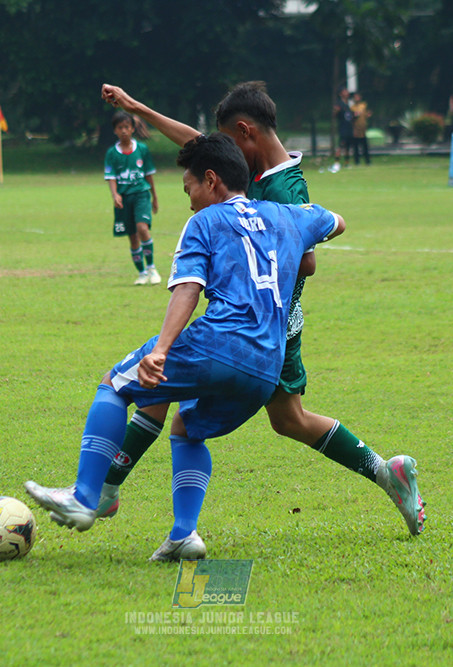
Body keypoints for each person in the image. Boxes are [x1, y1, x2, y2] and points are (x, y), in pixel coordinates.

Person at [100, 81, 426, 538]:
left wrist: (243, 254)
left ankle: (101, 493)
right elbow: (199, 147)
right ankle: (385, 472)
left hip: (266, 324)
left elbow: (306, 261)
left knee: (164, 389)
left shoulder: (284, 189)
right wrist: (137, 108)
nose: (220, 158)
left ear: (245, 131)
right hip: (257, 320)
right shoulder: (254, 169)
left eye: (229, 143)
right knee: (288, 420)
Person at [25, 133, 346, 561]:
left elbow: (188, 288)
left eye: (190, 188)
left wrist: (161, 349)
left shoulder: (205, 223)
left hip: (218, 342)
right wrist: (297, 228)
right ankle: (183, 534)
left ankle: (85, 498)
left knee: (115, 384)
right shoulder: (286, 216)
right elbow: (337, 221)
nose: (190, 200)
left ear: (211, 180)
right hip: (267, 368)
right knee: (186, 428)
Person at [104, 110, 160, 286]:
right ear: (115, 130)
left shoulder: (142, 149)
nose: (124, 131)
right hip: (124, 198)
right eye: (120, 128)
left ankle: (151, 268)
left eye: (127, 127)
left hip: (141, 194)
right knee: (132, 236)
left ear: (133, 128)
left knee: (142, 228)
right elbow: (111, 176)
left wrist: (154, 197)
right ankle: (142, 273)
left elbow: (149, 175)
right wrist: (115, 195)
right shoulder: (112, 153)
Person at [332, 87, 354, 172]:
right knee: (341, 145)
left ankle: (347, 162)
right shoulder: (339, 103)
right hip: (343, 128)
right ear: (341, 93)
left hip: (349, 127)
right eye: (345, 91)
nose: (347, 93)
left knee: (348, 147)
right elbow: (334, 114)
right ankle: (336, 163)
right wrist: (336, 111)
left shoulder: (348, 103)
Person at [350, 92, 372, 166]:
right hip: (356, 129)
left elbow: (367, 114)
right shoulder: (352, 108)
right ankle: (357, 162)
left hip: (363, 129)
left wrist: (368, 115)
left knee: (365, 146)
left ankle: (367, 161)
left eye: (357, 97)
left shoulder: (363, 105)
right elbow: (351, 119)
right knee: (356, 147)